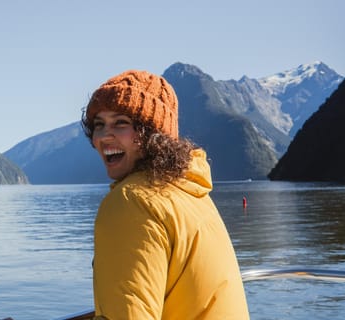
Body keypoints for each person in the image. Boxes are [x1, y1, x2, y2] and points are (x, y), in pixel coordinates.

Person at [81, 70, 250, 319]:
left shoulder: (132, 202)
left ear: (153, 135)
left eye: (121, 123)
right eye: (99, 125)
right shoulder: (191, 191)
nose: (104, 136)